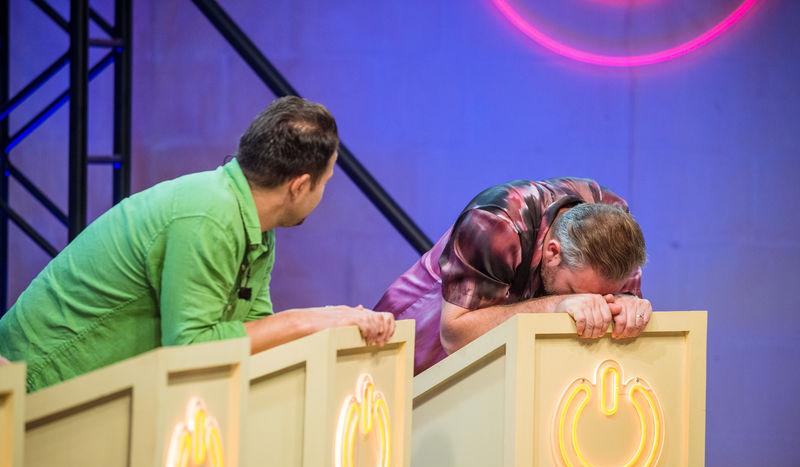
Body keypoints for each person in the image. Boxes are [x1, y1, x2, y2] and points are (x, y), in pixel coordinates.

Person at [0, 96, 394, 391]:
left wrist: (338, 323)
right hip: (32, 386)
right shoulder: (210, 215)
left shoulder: (255, 224)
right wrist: (308, 320)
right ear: (300, 185)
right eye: (326, 182)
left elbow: (250, 334)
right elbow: (191, 348)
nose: (323, 194)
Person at [375, 178, 650, 375]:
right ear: (553, 252)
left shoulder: (618, 227)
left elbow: (617, 301)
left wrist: (626, 303)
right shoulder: (494, 221)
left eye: (602, 295)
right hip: (424, 334)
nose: (592, 302)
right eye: (577, 292)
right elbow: (455, 334)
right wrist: (556, 304)